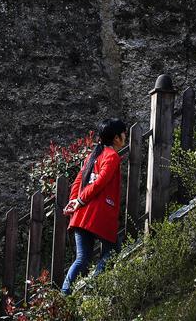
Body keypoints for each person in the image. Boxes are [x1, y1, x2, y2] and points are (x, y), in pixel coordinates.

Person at [61, 118, 127, 294]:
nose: (125, 136)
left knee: (82, 259)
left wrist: (74, 201)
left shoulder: (93, 155)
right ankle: (93, 286)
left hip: (82, 214)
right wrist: (80, 201)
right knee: (112, 251)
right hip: (99, 213)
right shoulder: (112, 156)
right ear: (116, 138)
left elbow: (78, 180)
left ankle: (63, 295)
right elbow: (100, 182)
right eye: (123, 133)